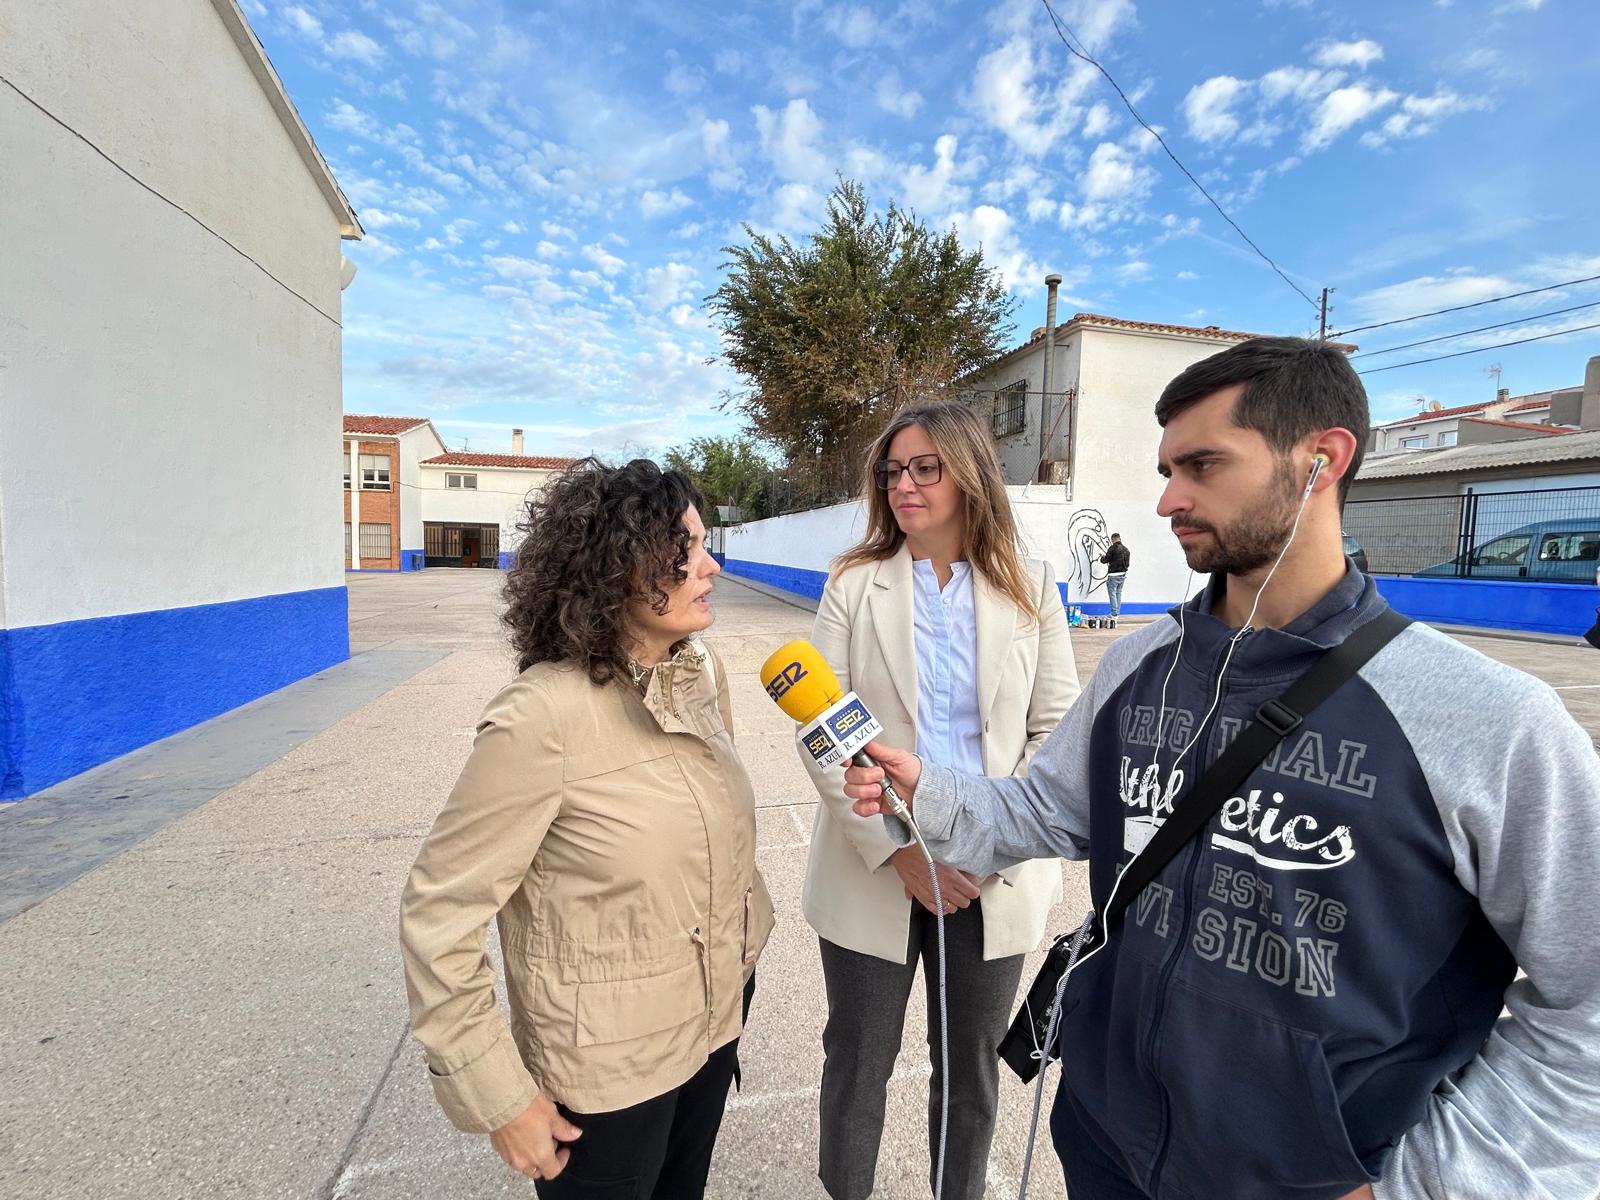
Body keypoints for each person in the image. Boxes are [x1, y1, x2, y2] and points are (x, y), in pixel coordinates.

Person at [843, 338, 1600, 1200]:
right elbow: (1042, 813)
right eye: (1167, 468)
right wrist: (927, 789)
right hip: (1104, 1153)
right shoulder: (1138, 666)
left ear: (1323, 459)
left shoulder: (1488, 720)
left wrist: (1429, 1187)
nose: (1169, 498)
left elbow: (1587, 1007)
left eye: (1202, 465)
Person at [399, 458, 775, 1198]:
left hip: (714, 1022)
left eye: (704, 543)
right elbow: (438, 916)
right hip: (607, 1073)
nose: (711, 566)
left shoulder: (701, 675)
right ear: (616, 568)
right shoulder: (539, 716)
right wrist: (501, 1098)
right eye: (686, 549)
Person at [800, 402, 1078, 1200]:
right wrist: (897, 852)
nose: (905, 484)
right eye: (893, 470)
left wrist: (990, 842)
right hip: (872, 864)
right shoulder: (855, 584)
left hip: (991, 873)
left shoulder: (1031, 588)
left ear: (970, 475)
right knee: (858, 1061)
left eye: (927, 467)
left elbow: (1053, 735)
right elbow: (823, 730)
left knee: (970, 1074)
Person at [1097, 533, 1130, 625]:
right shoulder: (1127, 550)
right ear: (1119, 539)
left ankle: (1114, 614)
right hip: (1123, 575)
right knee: (1118, 593)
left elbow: (1105, 560)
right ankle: (1116, 614)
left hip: (1113, 575)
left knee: (1112, 594)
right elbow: (1127, 564)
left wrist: (1101, 557)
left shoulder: (1112, 549)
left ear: (1112, 540)